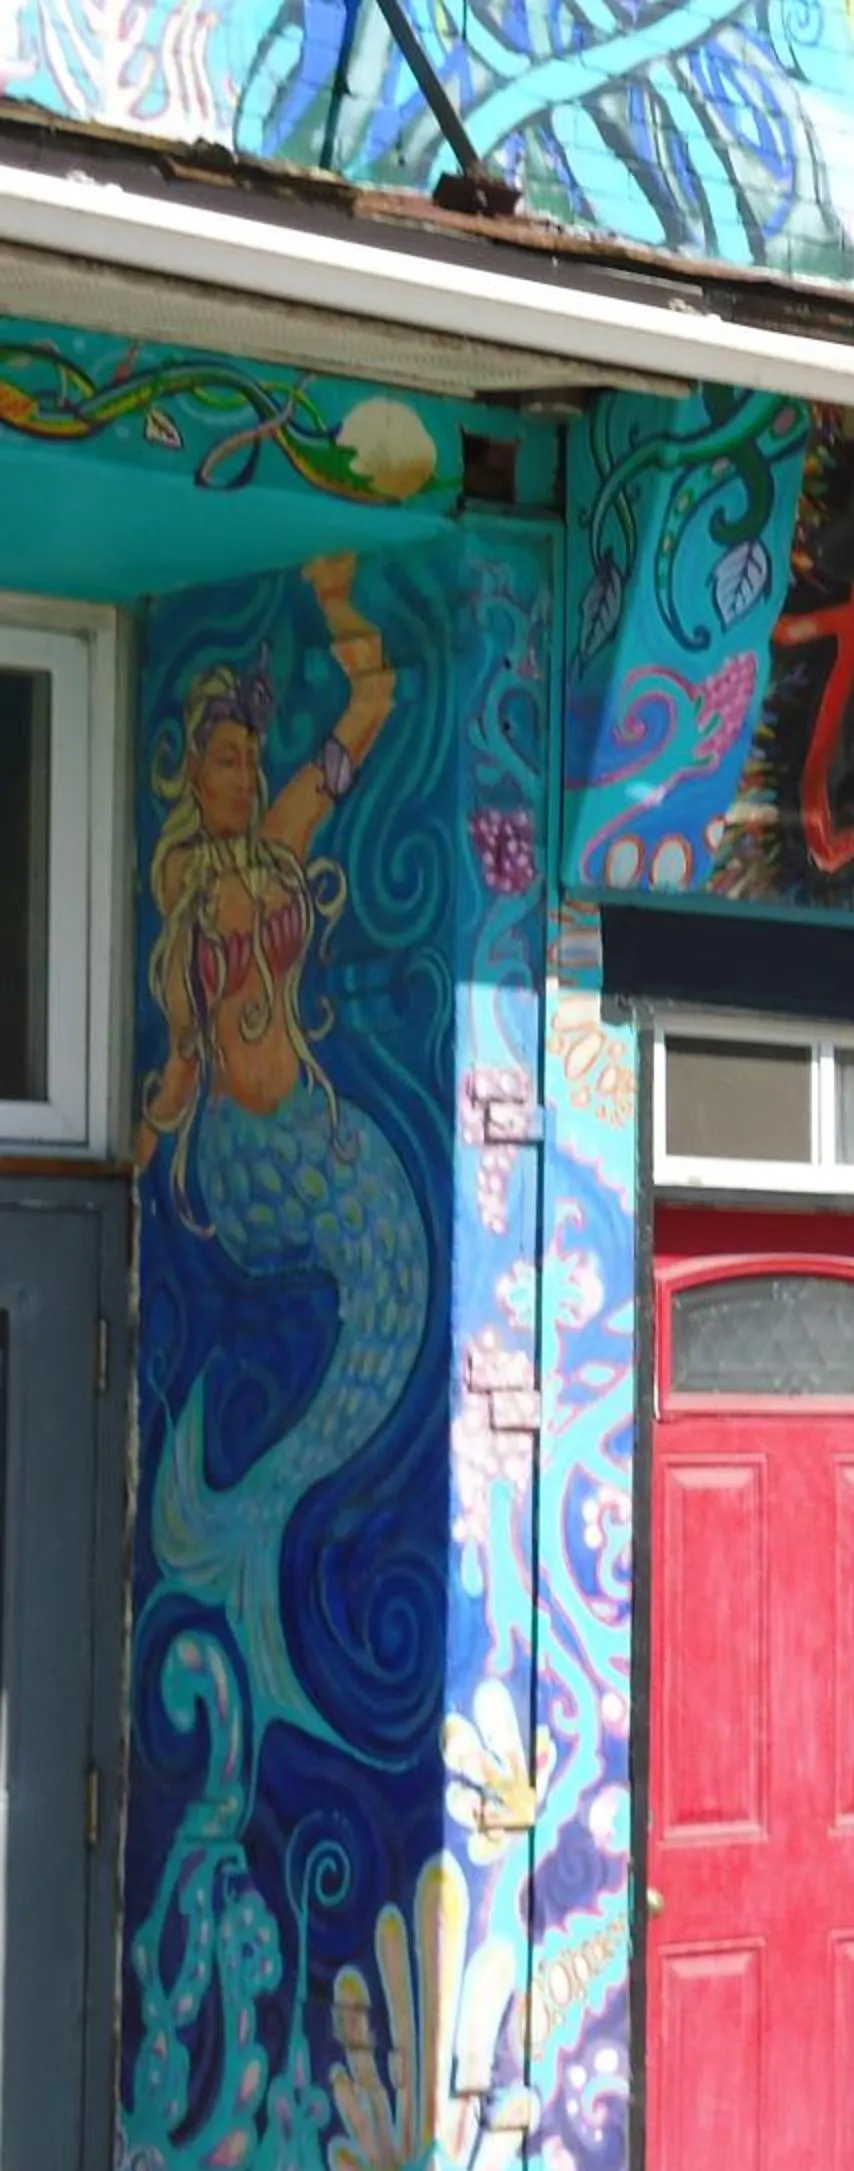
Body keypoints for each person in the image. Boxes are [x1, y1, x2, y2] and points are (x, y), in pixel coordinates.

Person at [134, 552, 425, 1755]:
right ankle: (249, 1520)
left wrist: (343, 606)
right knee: (380, 1268)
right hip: (252, 1172)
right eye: (228, 757)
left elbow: (374, 707)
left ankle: (252, 1520)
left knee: (396, 1293)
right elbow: (184, 1070)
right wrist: (151, 1138)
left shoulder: (277, 842)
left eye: (255, 758)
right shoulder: (191, 890)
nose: (251, 774)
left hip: (316, 1132)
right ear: (189, 775)